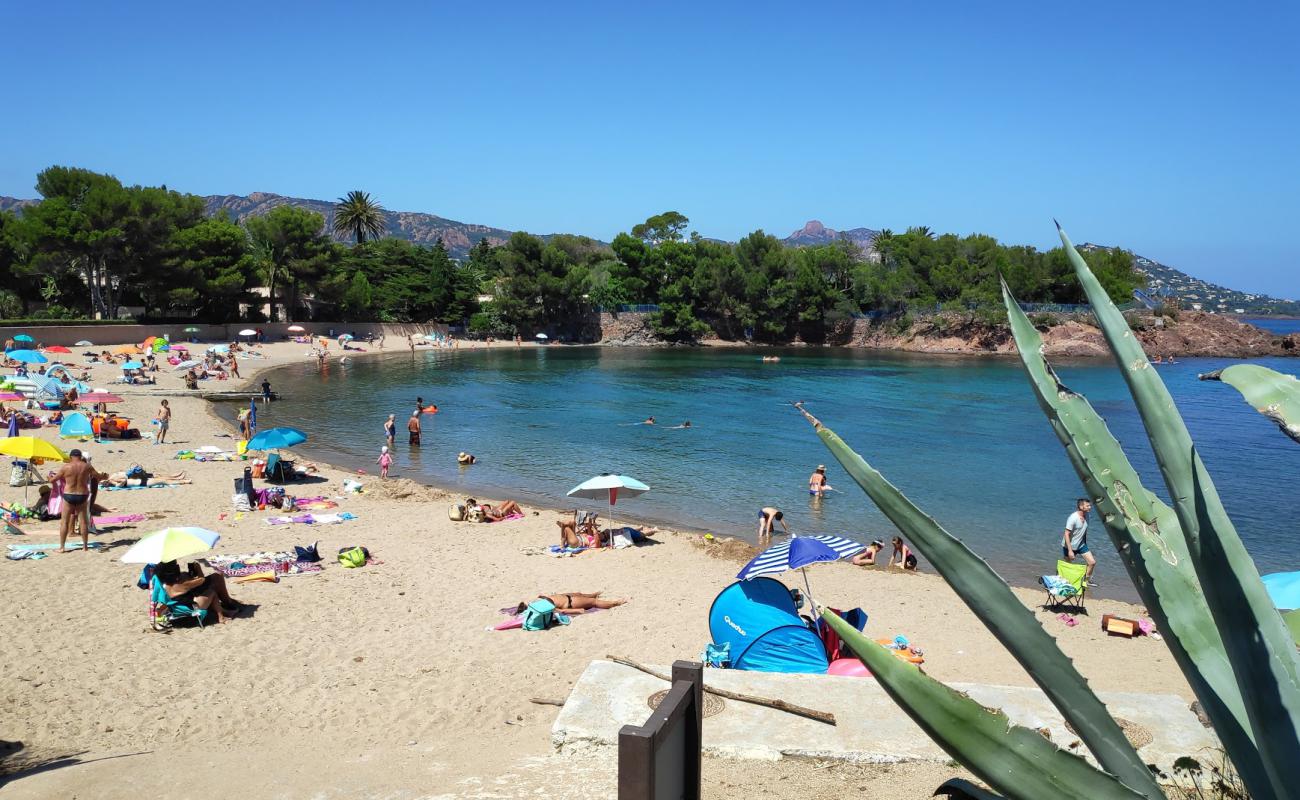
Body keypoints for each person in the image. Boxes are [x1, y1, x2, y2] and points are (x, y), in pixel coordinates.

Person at [154, 560, 243, 624]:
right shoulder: (182, 584)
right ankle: (221, 617)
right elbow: (201, 580)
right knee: (211, 593)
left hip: (178, 606)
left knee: (210, 587)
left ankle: (224, 609)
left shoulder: (164, 583)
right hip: (191, 607)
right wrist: (198, 568)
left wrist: (188, 574)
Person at [52, 449, 99, 553]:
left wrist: (49, 478)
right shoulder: (87, 466)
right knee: (83, 522)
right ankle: (85, 547)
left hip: (69, 495)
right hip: (82, 495)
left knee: (64, 522)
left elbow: (53, 480)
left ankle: (62, 547)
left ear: (70, 457)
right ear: (81, 456)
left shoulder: (66, 467)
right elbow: (97, 476)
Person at [1062, 498, 1096, 585]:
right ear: (1081, 506)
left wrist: (1084, 542)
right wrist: (1070, 551)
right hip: (1069, 546)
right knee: (1067, 566)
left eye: (1090, 505)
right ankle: (1062, 579)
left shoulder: (1087, 515)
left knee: (1092, 562)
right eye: (1087, 506)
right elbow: (1066, 534)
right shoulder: (1073, 518)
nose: (1090, 507)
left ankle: (1086, 581)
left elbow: (1084, 530)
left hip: (1081, 545)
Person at [516, 592, 626, 616]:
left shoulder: (538, 601)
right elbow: (561, 611)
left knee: (579, 594)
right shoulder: (542, 605)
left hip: (567, 599)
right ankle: (615, 603)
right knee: (594, 603)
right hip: (570, 603)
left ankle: (593, 594)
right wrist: (578, 611)